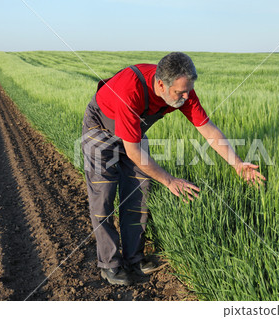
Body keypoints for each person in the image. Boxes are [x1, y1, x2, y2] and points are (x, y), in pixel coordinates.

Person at [81, 52, 265, 286]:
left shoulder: (183, 90)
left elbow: (207, 129)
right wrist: (169, 180)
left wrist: (237, 163)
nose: (186, 96)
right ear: (161, 84)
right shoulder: (131, 90)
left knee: (138, 191)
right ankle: (109, 264)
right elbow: (134, 153)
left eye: (188, 90)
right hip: (100, 129)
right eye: (180, 92)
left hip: (132, 133)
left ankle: (134, 258)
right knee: (103, 196)